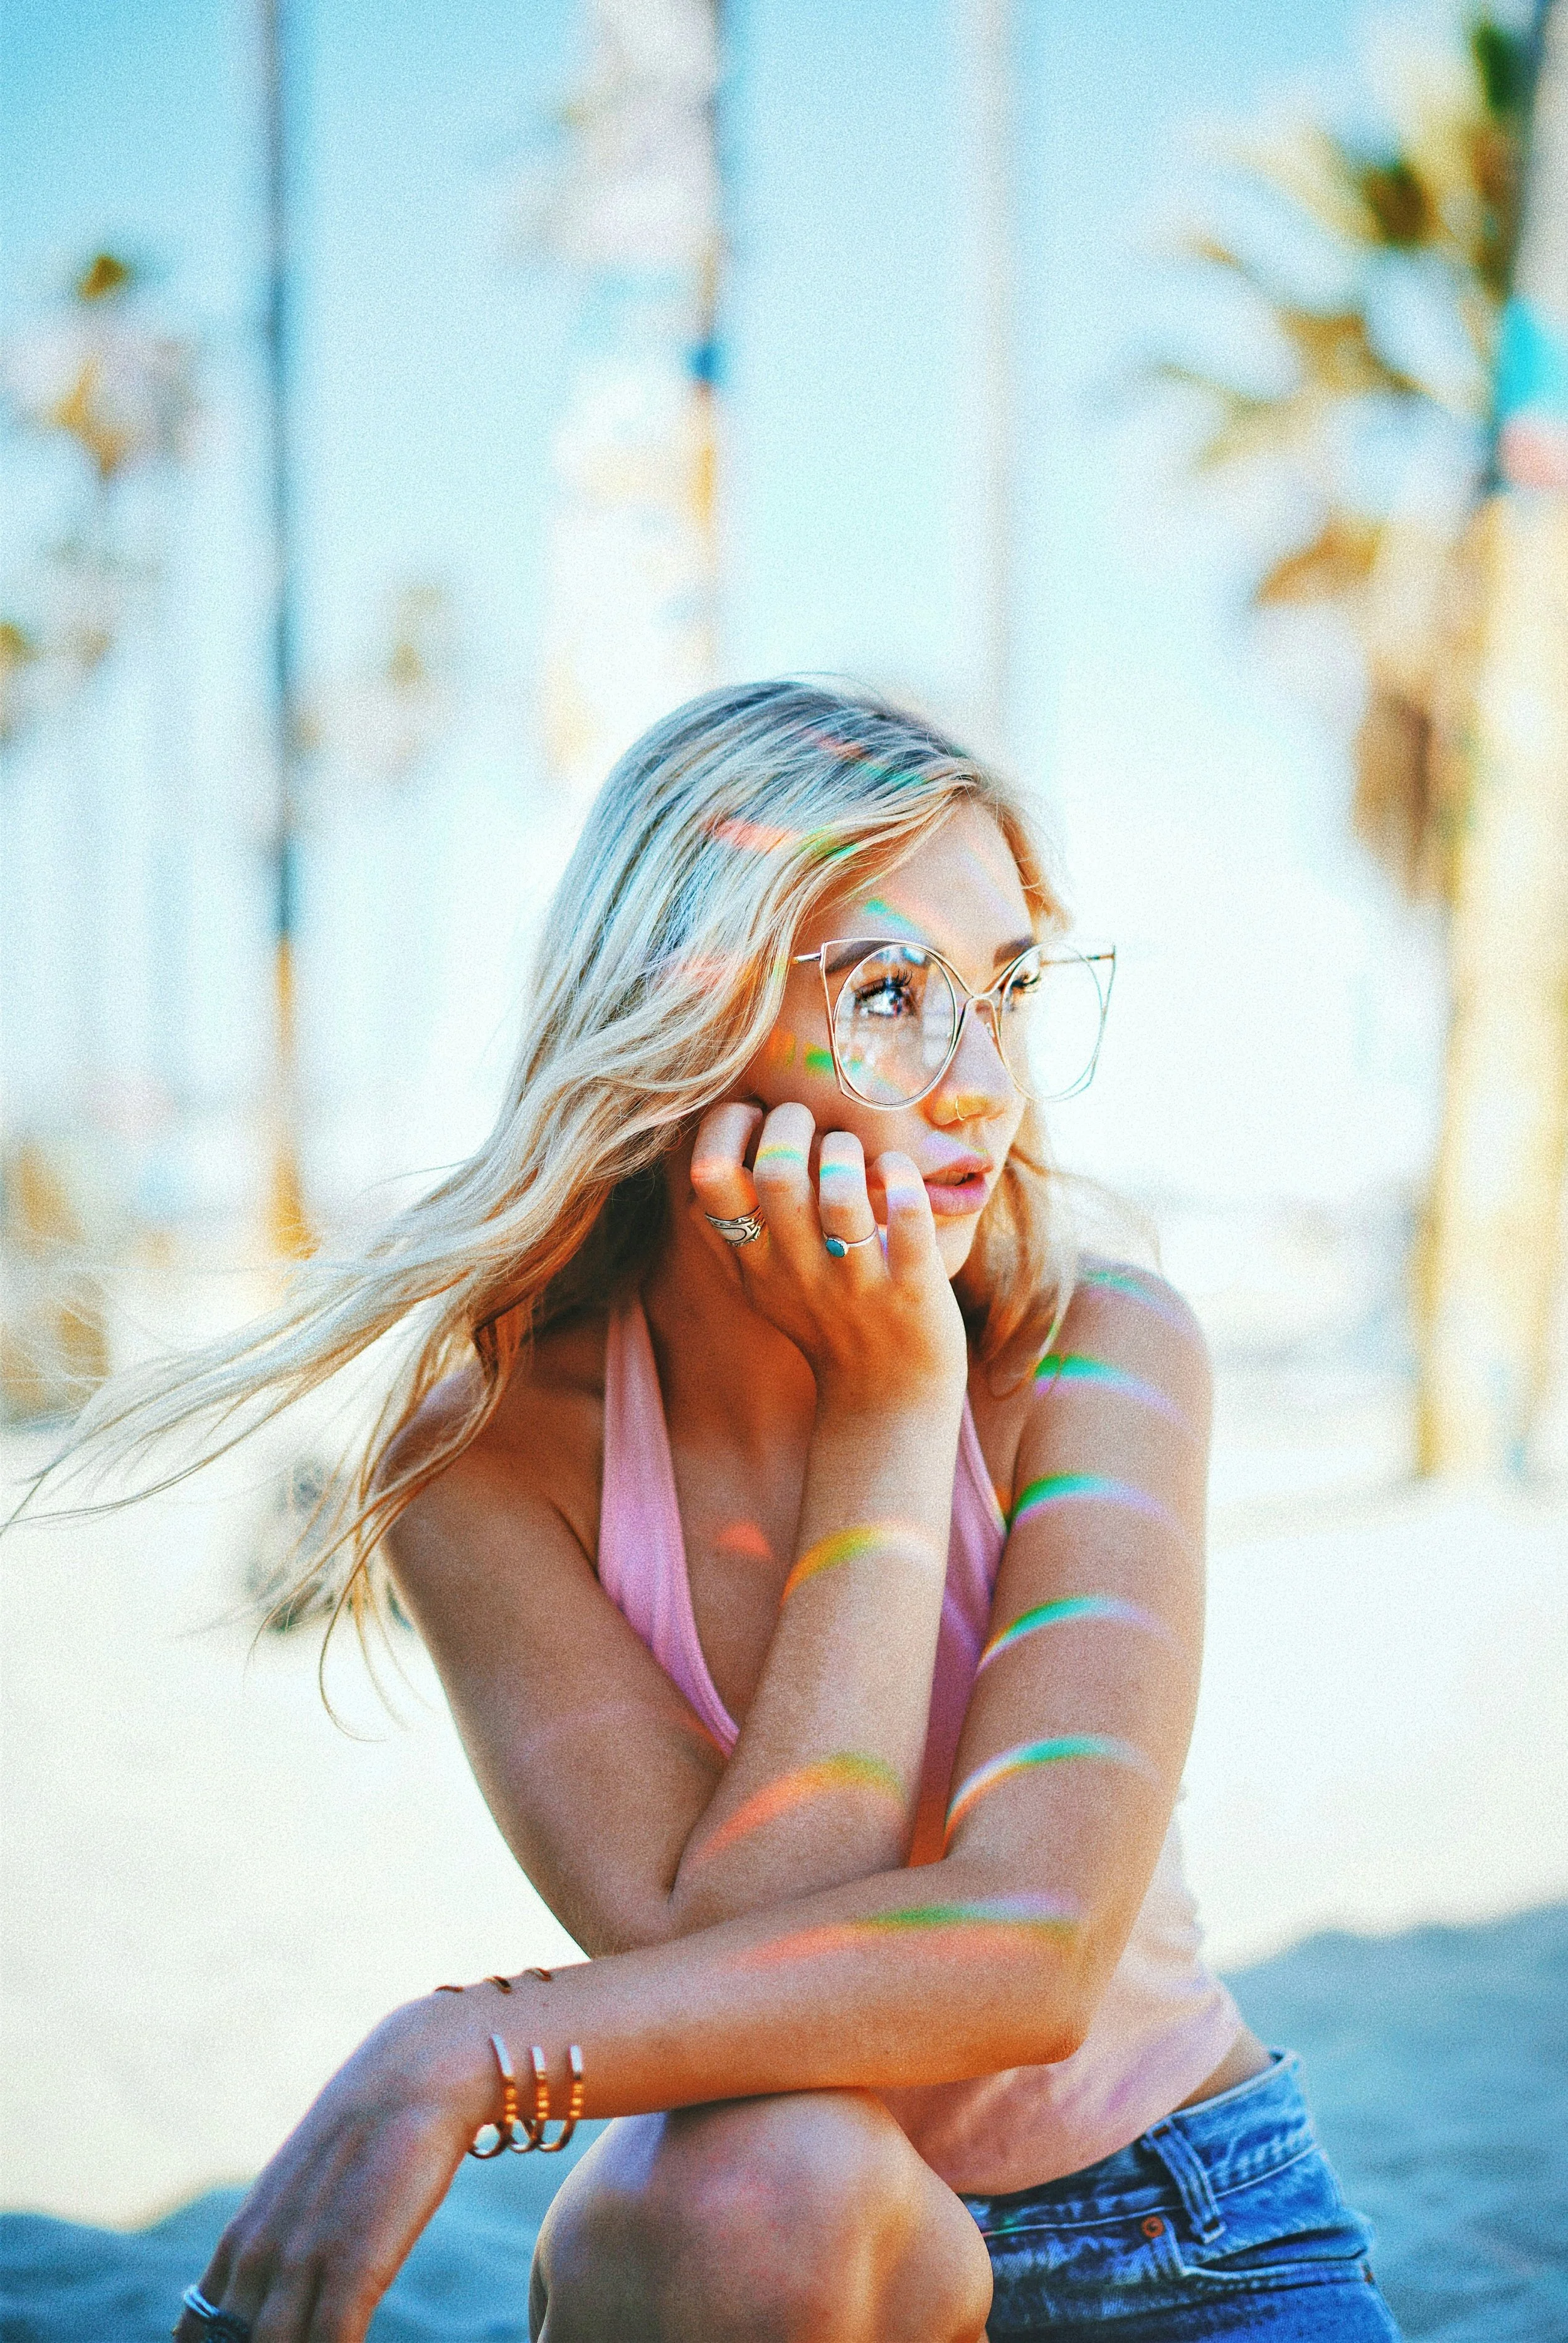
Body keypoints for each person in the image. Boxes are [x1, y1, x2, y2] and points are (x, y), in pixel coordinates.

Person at [64, 680, 1399, 2341]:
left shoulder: (1094, 1352)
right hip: (777, 2260)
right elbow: (753, 1977)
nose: (980, 1083)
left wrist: (471, 2048)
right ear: (680, 1016)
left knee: (741, 2148)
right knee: (747, 2173)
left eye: (1008, 989)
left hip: (1183, 2233)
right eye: (892, 993)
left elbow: (1031, 1959)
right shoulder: (484, 1460)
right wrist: (881, 1422)